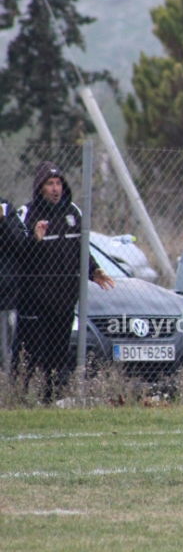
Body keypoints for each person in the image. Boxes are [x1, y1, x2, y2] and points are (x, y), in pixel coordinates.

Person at [16, 162, 114, 401]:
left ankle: (51, 399)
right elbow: (16, 253)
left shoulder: (73, 213)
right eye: (50, 184)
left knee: (58, 356)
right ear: (40, 187)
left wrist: (93, 270)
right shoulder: (27, 213)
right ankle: (21, 399)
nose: (55, 188)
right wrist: (34, 240)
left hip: (65, 300)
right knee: (32, 355)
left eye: (58, 183)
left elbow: (80, 249)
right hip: (35, 302)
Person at [0, 195, 28, 371]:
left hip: (4, 298)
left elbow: (21, 243)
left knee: (6, 354)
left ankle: (6, 384)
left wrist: (2, 222)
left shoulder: (6, 208)